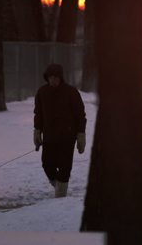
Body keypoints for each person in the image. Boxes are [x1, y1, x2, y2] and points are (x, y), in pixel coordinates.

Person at [33, 63, 86, 197]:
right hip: (49, 136)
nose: (53, 80)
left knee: (64, 166)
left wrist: (81, 134)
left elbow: (80, 114)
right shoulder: (42, 92)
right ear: (47, 77)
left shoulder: (71, 92)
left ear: (61, 78)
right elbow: (38, 114)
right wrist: (37, 131)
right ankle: (59, 186)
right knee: (47, 164)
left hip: (68, 137)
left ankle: (61, 195)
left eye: (56, 77)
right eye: (51, 77)